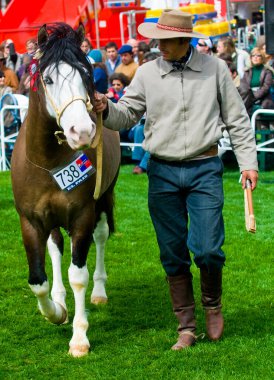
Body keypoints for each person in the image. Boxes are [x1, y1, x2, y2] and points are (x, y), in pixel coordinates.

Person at [95, 9, 258, 351]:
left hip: (205, 169)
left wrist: (248, 163)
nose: (157, 45)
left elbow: (237, 120)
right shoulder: (147, 73)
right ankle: (186, 326)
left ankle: (213, 305)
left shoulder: (214, 69)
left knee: (209, 250)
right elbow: (126, 115)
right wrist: (105, 107)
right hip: (162, 172)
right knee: (172, 253)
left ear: (184, 41)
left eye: (164, 40)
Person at [241, 47, 274, 116]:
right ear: (250, 58)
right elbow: (244, 87)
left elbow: (266, 87)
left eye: (258, 55)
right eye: (253, 55)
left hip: (264, 99)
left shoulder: (268, 71)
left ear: (262, 58)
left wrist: (254, 96)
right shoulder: (246, 71)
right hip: (249, 98)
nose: (255, 58)